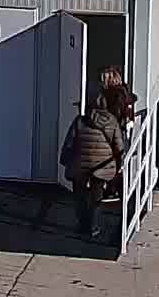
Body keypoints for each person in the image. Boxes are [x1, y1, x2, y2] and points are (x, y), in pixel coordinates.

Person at [60, 89, 125, 239]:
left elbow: (69, 143)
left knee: (79, 195)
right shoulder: (112, 121)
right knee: (97, 196)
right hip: (102, 165)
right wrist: (118, 165)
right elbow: (119, 146)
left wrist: (64, 160)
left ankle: (82, 224)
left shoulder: (80, 121)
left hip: (80, 163)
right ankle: (94, 227)